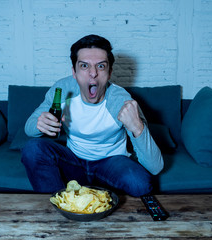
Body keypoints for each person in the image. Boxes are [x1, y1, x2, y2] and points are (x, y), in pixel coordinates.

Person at [22, 34, 163, 197]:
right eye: (84, 66)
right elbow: (29, 128)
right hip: (73, 162)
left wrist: (138, 128)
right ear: (74, 72)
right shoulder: (62, 90)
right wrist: (39, 124)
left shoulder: (121, 101)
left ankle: (96, 194)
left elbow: (155, 167)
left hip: (112, 164)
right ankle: (61, 205)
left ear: (109, 72)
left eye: (101, 66)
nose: (93, 73)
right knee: (32, 149)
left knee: (140, 183)